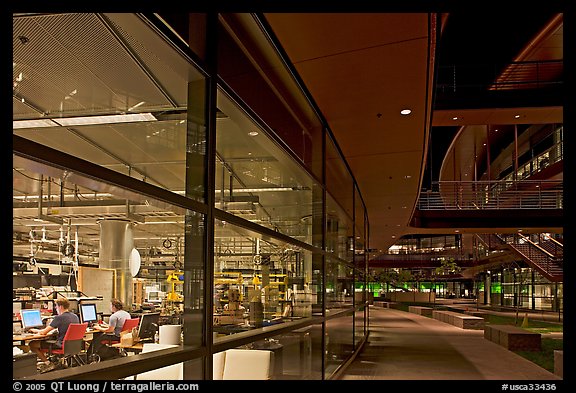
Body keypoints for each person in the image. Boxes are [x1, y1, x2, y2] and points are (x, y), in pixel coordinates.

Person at [28, 297, 79, 372]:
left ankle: (48, 363)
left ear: (60, 307)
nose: (56, 308)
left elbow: (43, 332)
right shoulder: (75, 316)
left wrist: (34, 330)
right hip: (73, 345)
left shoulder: (59, 318)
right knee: (45, 342)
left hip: (61, 345)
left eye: (56, 306)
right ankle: (48, 362)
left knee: (32, 344)